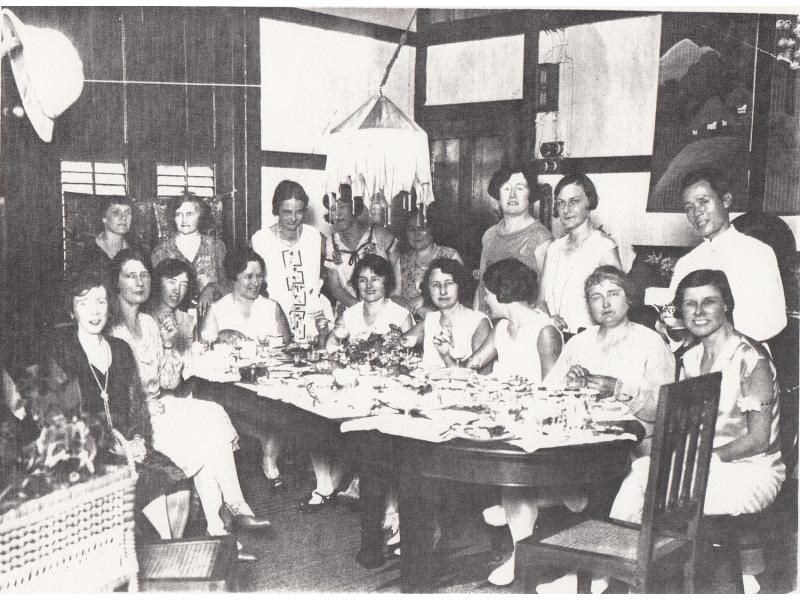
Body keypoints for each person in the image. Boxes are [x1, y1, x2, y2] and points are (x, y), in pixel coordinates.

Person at [538, 269, 785, 595]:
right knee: (637, 476)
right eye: (689, 304)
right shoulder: (693, 357)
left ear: (727, 305)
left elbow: (758, 440)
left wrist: (694, 459)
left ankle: (617, 578)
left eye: (708, 302)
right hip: (702, 462)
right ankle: (601, 574)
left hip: (749, 469)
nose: (698, 312)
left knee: (663, 500)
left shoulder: (752, 360)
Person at [107, 249, 271, 548]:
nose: (139, 282)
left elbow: (170, 380)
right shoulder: (111, 331)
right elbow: (115, 394)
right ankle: (223, 525)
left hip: (162, 404)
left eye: (144, 275)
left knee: (213, 415)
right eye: (130, 276)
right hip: (137, 419)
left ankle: (229, 516)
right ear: (116, 282)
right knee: (207, 439)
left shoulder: (148, 323)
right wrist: (144, 406)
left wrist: (168, 345)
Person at [45, 269, 188, 539]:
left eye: (100, 301)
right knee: (154, 481)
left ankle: (171, 553)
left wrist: (138, 439)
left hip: (129, 445)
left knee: (178, 482)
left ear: (109, 306)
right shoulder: (63, 352)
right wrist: (112, 443)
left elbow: (138, 406)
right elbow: (62, 419)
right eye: (83, 303)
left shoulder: (120, 348)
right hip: (88, 452)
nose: (94, 311)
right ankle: (166, 552)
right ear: (72, 310)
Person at [459, 258, 563, 586]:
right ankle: (525, 516)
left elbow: (553, 395)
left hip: (540, 429)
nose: (486, 300)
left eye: (488, 293)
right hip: (505, 422)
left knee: (512, 482)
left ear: (502, 293)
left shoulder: (544, 331)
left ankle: (522, 555)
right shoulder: (502, 329)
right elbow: (472, 365)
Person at [544, 266, 676, 456]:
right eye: (596, 297)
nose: (605, 304)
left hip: (633, 447)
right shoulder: (579, 342)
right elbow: (548, 392)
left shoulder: (651, 342)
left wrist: (618, 388)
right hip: (580, 442)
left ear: (628, 299)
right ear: (589, 306)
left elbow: (663, 409)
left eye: (613, 294)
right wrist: (569, 385)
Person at [202, 248, 292, 489]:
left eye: (259, 276)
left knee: (280, 411)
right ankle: (264, 444)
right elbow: (204, 348)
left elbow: (288, 348)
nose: (256, 283)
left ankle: (269, 459)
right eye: (249, 277)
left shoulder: (271, 307)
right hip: (231, 385)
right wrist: (221, 336)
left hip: (267, 381)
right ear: (234, 278)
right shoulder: (218, 309)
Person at [667, 168, 786, 343]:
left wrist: (724, 342)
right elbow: (675, 317)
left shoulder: (758, 253)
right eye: (689, 207)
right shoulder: (686, 263)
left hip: (748, 356)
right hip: (697, 356)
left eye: (703, 202)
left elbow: (775, 320)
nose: (696, 212)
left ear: (725, 200)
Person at [539, 173, 624, 337]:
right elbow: (540, 300)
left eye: (574, 201)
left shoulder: (603, 246)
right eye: (561, 203)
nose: (566, 210)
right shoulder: (554, 249)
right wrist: (549, 319)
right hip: (554, 338)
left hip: (590, 340)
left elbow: (618, 304)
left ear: (589, 202)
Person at [251, 180, 333, 343]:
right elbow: (242, 277)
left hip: (312, 321)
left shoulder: (315, 237)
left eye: (299, 212)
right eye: (287, 212)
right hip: (274, 320)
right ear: (276, 210)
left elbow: (340, 266)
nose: (294, 218)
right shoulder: (260, 240)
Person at [473, 165, 552, 314]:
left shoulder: (541, 238)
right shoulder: (490, 235)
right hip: (490, 323)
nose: (513, 195)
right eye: (507, 188)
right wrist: (476, 319)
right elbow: (482, 286)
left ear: (530, 193)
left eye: (520, 188)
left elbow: (545, 297)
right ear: (498, 193)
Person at [323, 184, 401, 310]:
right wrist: (361, 309)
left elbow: (398, 275)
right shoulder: (332, 242)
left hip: (382, 308)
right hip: (350, 309)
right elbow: (335, 288)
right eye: (332, 209)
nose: (337, 213)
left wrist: (386, 307)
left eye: (342, 207)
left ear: (354, 208)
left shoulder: (378, 234)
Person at [401, 258, 490, 368]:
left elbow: (483, 374)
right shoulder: (431, 320)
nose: (443, 291)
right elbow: (398, 344)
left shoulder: (478, 322)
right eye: (436, 285)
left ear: (460, 285)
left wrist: (447, 356)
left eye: (449, 283)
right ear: (428, 289)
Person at [151, 193, 228, 317]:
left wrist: (211, 289)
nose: (184, 220)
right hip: (173, 320)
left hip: (214, 316)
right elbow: (155, 294)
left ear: (200, 216)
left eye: (189, 214)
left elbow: (230, 285)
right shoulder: (160, 251)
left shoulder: (216, 246)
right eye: (178, 214)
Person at [396, 214, 462, 318]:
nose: (416, 234)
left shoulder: (450, 255)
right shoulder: (402, 261)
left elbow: (461, 290)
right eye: (411, 229)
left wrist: (425, 299)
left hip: (446, 319)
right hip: (411, 320)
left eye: (422, 228)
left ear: (432, 230)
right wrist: (413, 309)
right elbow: (394, 296)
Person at [80, 197, 146, 272]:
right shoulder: (88, 253)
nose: (124, 217)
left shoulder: (139, 251)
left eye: (128, 213)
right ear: (104, 218)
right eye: (116, 212)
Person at [146, 258, 196, 356]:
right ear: (158, 282)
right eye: (171, 282)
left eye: (184, 285)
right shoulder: (144, 320)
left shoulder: (189, 322)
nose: (177, 290)